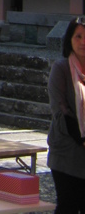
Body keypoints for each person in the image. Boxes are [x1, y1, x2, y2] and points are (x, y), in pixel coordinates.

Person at [47, 16, 85, 214]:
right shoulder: (60, 68)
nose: (83, 42)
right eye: (78, 36)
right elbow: (60, 110)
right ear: (69, 39)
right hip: (66, 152)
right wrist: (82, 138)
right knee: (68, 207)